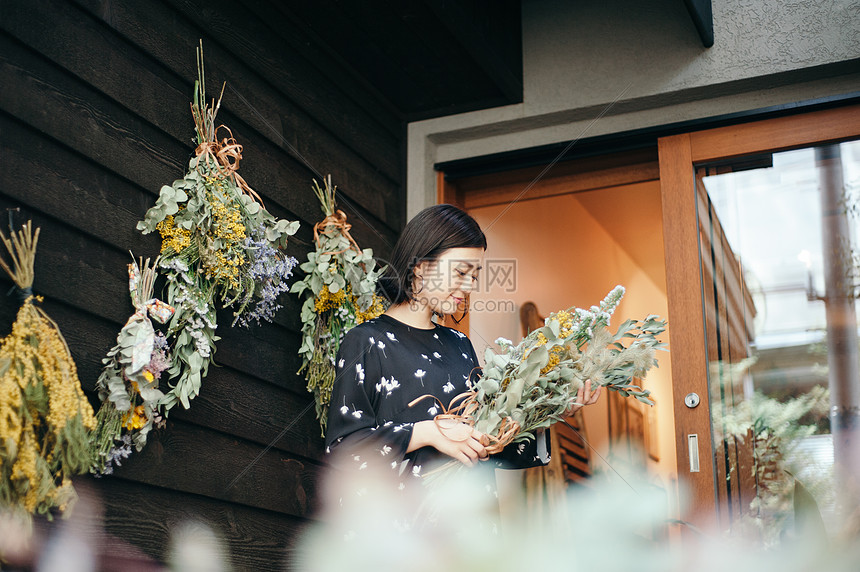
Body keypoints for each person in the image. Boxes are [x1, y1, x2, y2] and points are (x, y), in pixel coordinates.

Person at [324, 204, 600, 489]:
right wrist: (426, 432)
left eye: (475, 275)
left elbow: (487, 444)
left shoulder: (460, 345)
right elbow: (344, 451)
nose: (469, 286)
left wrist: (553, 411)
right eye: (461, 272)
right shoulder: (366, 342)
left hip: (467, 523)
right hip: (401, 526)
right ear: (419, 266)